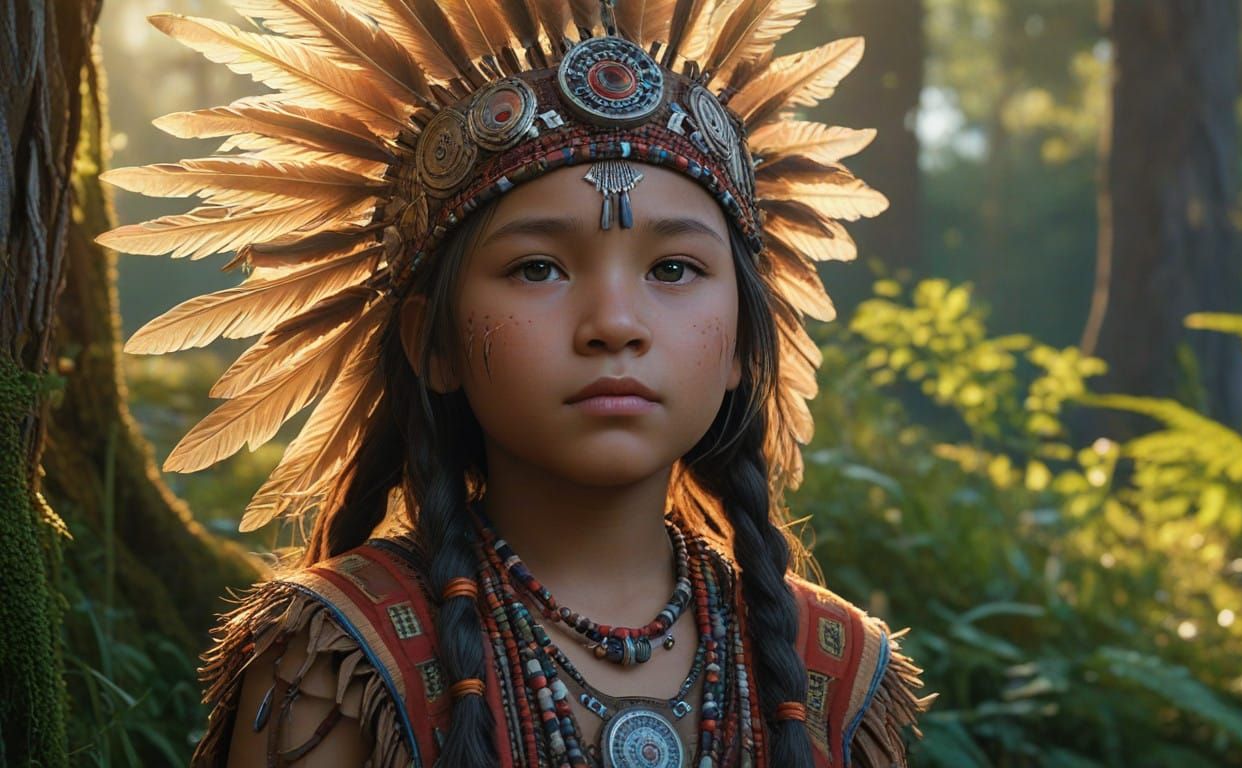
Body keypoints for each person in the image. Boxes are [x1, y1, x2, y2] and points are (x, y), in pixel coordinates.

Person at [99, 1, 933, 766]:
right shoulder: (341, 660)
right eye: (537, 268)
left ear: (746, 344)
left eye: (674, 268)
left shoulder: (835, 670)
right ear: (434, 343)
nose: (615, 322)